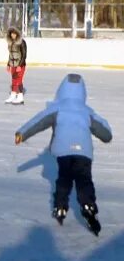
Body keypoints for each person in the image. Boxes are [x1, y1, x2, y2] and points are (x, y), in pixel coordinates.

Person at [15, 73, 112, 235]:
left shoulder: (56, 108)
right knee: (84, 179)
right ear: (83, 92)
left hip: (63, 151)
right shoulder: (87, 111)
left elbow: (38, 122)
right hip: (84, 152)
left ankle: (60, 207)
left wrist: (22, 134)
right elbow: (106, 133)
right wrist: (106, 135)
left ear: (61, 91)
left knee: (64, 179)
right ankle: (88, 205)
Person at [6, 27, 27, 105]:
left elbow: (24, 55)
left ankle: (20, 97)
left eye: (14, 33)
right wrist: (8, 64)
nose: (13, 35)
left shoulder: (22, 42)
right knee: (14, 80)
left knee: (19, 80)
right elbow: (10, 55)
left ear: (17, 34)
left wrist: (20, 65)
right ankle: (13, 95)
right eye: (12, 33)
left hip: (20, 65)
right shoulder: (11, 43)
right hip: (13, 65)